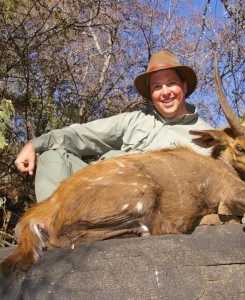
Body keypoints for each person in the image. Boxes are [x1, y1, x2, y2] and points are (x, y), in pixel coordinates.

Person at [15, 50, 213, 202]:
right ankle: (47, 227)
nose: (165, 92)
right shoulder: (135, 120)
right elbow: (83, 135)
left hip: (138, 206)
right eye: (157, 87)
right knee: (51, 155)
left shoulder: (209, 137)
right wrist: (34, 144)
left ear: (184, 87)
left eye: (171, 83)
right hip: (95, 188)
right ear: (151, 94)